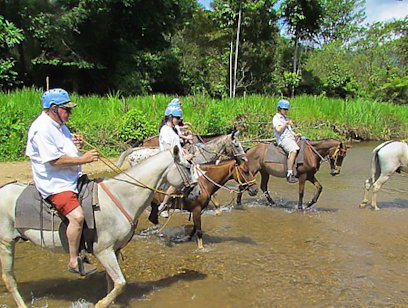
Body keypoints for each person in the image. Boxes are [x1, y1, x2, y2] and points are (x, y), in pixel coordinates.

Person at [26, 88, 99, 276]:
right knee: (77, 217)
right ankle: (74, 260)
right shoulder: (41, 128)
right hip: (55, 183)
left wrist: (76, 145)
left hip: (70, 177)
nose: (69, 113)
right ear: (53, 108)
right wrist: (84, 159)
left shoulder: (58, 124)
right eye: (66, 109)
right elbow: (54, 160)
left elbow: (64, 146)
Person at [158, 107, 193, 218]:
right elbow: (169, 148)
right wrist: (184, 156)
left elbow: (176, 145)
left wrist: (183, 150)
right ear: (171, 117)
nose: (179, 120)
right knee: (180, 179)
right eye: (177, 118)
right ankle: (164, 205)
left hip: (175, 157)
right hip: (169, 160)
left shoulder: (172, 129)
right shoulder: (165, 130)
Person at [272, 99, 301, 183]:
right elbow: (279, 130)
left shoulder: (285, 118)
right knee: (293, 150)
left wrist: (296, 135)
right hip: (283, 139)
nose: (286, 111)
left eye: (287, 109)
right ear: (279, 109)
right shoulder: (276, 118)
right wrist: (286, 123)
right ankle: (289, 173)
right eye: (284, 109)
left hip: (290, 138)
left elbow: (289, 131)